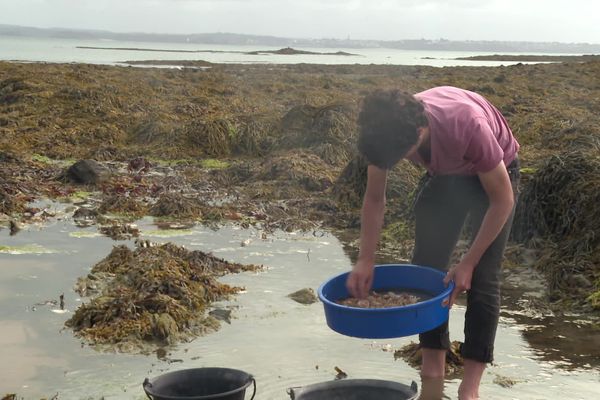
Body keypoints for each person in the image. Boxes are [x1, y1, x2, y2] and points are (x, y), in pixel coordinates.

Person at [346, 86, 520, 400]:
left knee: (482, 277)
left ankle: (470, 389)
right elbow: (374, 198)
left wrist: (468, 260)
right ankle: (433, 372)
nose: (402, 162)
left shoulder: (466, 124)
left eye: (403, 155)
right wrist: (365, 259)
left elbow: (502, 200)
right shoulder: (384, 131)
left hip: (497, 174)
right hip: (447, 174)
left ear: (420, 131)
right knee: (426, 268)